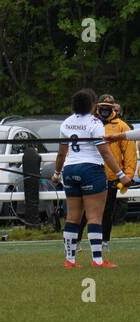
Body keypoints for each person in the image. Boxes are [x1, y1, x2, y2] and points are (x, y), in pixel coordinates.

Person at [57, 89, 129, 268]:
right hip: (91, 170)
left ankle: (70, 259)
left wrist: (57, 173)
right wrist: (121, 175)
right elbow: (104, 152)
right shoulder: (95, 122)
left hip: (70, 170)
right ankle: (97, 259)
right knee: (94, 217)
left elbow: (61, 153)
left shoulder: (66, 122)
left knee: (72, 217)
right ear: (92, 105)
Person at [76, 94, 133, 256]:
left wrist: (127, 174)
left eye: (108, 108)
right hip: (90, 173)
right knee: (85, 211)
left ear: (113, 108)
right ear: (97, 107)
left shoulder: (122, 126)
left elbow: (128, 153)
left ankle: (104, 242)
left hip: (111, 176)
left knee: (107, 212)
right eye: (102, 107)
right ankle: (77, 240)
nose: (105, 111)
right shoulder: (89, 124)